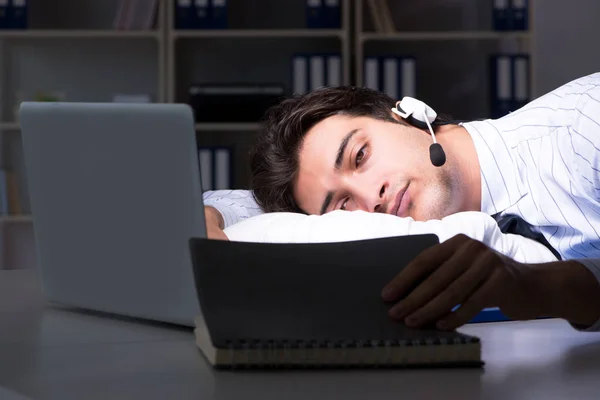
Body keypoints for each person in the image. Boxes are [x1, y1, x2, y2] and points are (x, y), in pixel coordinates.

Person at [203, 72, 600, 333]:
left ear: (407, 114)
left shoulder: (586, 125)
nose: (368, 198)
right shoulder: (398, 217)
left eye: (359, 157)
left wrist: (547, 287)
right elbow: (248, 208)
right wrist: (208, 215)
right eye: (341, 205)